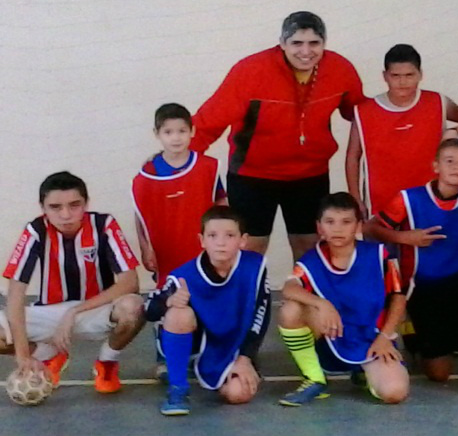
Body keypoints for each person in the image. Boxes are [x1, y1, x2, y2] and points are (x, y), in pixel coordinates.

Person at [190, 11, 366, 260]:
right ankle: (247, 300)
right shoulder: (251, 70)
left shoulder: (340, 69)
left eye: (314, 43)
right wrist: (180, 162)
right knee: (249, 249)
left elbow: (360, 113)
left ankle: (306, 300)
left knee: (310, 249)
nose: (306, 51)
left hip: (310, 175)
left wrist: (404, 117)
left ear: (324, 44)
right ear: (282, 43)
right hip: (253, 175)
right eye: (297, 43)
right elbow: (209, 121)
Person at [365, 139, 458, 381]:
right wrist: (404, 236)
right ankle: (413, 329)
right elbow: (370, 229)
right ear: (436, 166)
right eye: (449, 161)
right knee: (439, 374)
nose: (457, 167)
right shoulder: (408, 199)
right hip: (426, 288)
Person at [0, 172, 145, 394]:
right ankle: (47, 355)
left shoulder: (103, 225)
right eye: (55, 207)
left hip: (94, 310)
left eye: (74, 205)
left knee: (134, 306)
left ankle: (106, 363)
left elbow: (130, 282)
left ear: (86, 204)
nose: (66, 215)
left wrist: (75, 312)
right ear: (43, 208)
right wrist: (23, 356)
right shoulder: (36, 230)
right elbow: (16, 295)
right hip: (49, 312)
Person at [277, 192, 409, 406]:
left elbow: (398, 298)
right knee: (291, 309)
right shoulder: (312, 259)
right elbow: (289, 288)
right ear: (320, 227)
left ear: (358, 226)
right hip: (331, 338)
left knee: (395, 393)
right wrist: (322, 303)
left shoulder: (379, 254)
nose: (337, 229)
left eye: (346, 222)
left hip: (373, 341)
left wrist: (385, 337)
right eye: (330, 222)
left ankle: (364, 373)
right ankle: (314, 378)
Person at [145, 205, 271, 416]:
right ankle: (177, 388)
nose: (220, 242)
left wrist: (246, 358)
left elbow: (262, 314)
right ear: (202, 241)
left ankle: (221, 370)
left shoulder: (254, 266)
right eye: (212, 235)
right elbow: (148, 309)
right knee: (179, 313)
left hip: (233, 342)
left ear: (243, 240)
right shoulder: (185, 275)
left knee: (238, 394)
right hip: (197, 336)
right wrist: (170, 301)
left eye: (229, 235)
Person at [133, 103, 227, 380]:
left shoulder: (207, 167)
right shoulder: (147, 175)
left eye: (182, 131)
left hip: (201, 248)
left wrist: (225, 237)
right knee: (169, 298)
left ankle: (207, 352)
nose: (176, 137)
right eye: (168, 131)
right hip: (166, 248)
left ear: (192, 132)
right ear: (157, 134)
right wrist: (145, 246)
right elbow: (140, 215)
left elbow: (220, 201)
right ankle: (165, 355)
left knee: (206, 298)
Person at [346, 44, 458, 217]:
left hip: (433, 199)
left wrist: (455, 132)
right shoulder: (363, 111)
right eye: (396, 76)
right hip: (382, 205)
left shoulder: (438, 102)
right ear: (385, 76)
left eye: (409, 75)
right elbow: (352, 157)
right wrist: (355, 198)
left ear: (420, 74)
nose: (402, 82)